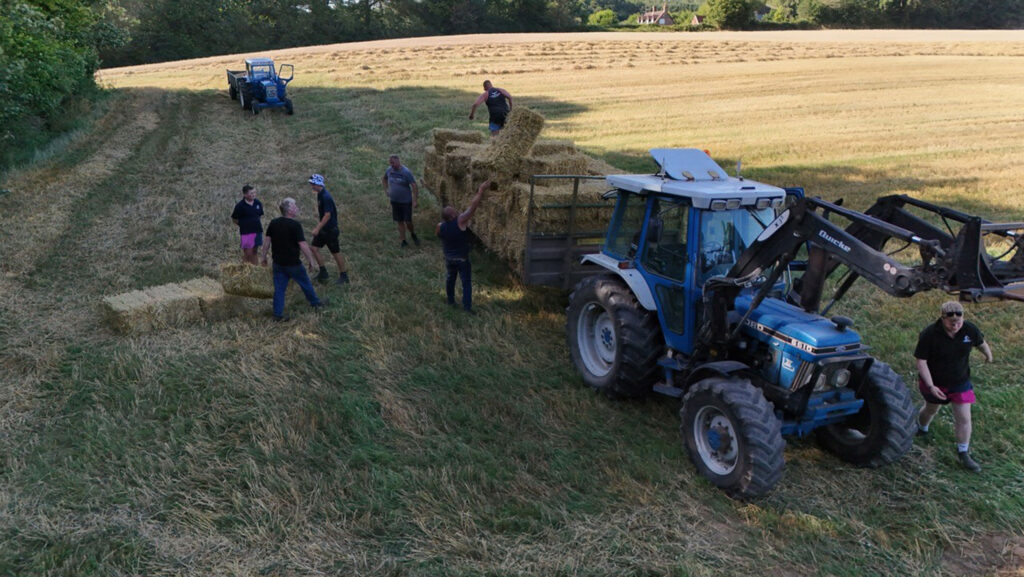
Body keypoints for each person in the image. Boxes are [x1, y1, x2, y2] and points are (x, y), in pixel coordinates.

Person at [914, 300, 993, 472]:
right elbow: (921, 361)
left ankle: (963, 452)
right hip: (935, 382)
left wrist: (988, 355)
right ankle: (921, 427)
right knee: (931, 409)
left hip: (960, 381)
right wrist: (931, 386)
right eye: (951, 323)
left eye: (959, 322)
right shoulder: (929, 334)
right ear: (943, 319)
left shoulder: (969, 329)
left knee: (964, 418)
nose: (955, 326)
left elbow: (980, 342)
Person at [260, 197, 326, 322]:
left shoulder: (274, 222)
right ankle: (315, 303)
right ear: (289, 210)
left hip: (278, 263)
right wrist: (311, 261)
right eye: (295, 206)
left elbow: (267, 242)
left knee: (279, 289)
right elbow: (303, 245)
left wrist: (263, 257)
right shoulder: (295, 225)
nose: (297, 208)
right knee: (305, 283)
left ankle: (277, 314)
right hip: (293, 264)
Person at [436, 180, 489, 314]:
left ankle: (451, 301)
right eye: (455, 210)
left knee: (450, 279)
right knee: (466, 283)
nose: (457, 210)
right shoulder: (460, 221)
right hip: (462, 259)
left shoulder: (440, 226)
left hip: (449, 258)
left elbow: (438, 235)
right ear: (453, 215)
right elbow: (473, 206)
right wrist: (481, 190)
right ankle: (467, 308)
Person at [307, 174, 350, 285]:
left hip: (330, 230)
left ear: (318, 184)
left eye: (312, 184)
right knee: (314, 248)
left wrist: (317, 228)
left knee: (335, 252)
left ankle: (344, 276)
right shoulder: (320, 194)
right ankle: (323, 272)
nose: (311, 186)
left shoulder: (325, 197)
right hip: (324, 230)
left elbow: (327, 215)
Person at [382, 155, 420, 247]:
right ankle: (403, 240)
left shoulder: (406, 172)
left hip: (406, 201)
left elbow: (414, 185)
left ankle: (412, 233)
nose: (391, 165)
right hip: (395, 201)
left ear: (398, 162)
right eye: (390, 163)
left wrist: (414, 200)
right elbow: (384, 179)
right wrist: (386, 190)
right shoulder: (389, 170)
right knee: (399, 221)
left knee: (408, 221)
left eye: (393, 163)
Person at [231, 184, 264, 265]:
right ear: (245, 194)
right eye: (251, 193)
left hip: (257, 231)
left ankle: (256, 269)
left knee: (255, 251)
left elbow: (259, 215)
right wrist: (243, 225)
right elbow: (234, 219)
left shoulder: (257, 203)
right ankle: (244, 269)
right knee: (248, 252)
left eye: (254, 193)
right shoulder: (240, 206)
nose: (254, 195)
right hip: (246, 232)